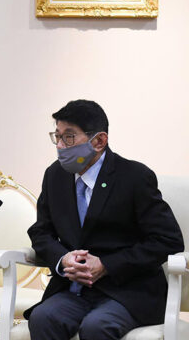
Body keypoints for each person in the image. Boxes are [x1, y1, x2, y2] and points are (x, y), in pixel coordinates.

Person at [25, 100, 183, 340]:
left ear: (99, 141)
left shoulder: (134, 177)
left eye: (69, 138)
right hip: (74, 291)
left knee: (97, 326)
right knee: (43, 317)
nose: (59, 146)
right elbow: (41, 232)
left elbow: (167, 240)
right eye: (56, 136)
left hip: (127, 292)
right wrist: (63, 259)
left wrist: (107, 265)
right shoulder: (55, 175)